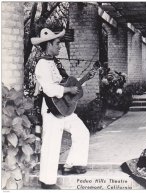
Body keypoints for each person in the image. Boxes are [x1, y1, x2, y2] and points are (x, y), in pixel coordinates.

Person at [31, 28, 90, 189]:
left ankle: (72, 164)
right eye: (57, 43)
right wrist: (69, 90)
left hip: (63, 108)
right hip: (51, 110)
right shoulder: (42, 65)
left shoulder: (54, 62)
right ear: (48, 44)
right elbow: (50, 89)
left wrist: (81, 81)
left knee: (82, 132)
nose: (59, 47)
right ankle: (47, 182)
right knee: (52, 144)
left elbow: (65, 83)